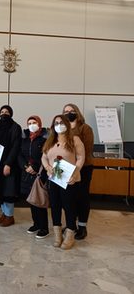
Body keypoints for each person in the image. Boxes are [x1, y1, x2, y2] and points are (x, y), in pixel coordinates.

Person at [42, 114, 85, 250]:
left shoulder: (75, 139)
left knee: (69, 206)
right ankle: (57, 235)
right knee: (55, 206)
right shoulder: (50, 140)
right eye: (56, 123)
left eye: (61, 122)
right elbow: (44, 157)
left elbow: (80, 157)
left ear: (67, 124)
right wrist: (48, 168)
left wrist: (76, 171)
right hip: (54, 179)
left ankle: (70, 234)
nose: (58, 125)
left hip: (70, 179)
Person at [63, 103, 94, 240]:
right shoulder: (62, 128)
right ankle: (72, 225)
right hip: (66, 167)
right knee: (70, 197)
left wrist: (76, 164)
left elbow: (87, 150)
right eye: (65, 111)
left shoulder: (85, 128)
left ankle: (82, 227)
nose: (69, 113)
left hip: (83, 167)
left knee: (82, 197)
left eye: (71, 111)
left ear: (77, 112)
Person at [0, 105, 22, 227]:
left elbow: (15, 147)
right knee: (0, 190)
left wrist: (8, 164)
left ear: (11, 114)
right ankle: (4, 214)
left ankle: (10, 216)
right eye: (2, 112)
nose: (4, 114)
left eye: (7, 112)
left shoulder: (15, 127)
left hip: (9, 164)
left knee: (8, 191)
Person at [18, 115, 49, 239]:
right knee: (31, 200)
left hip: (40, 173)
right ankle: (36, 224)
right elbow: (19, 155)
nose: (31, 124)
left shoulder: (45, 139)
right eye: (29, 122)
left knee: (39, 200)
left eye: (34, 122)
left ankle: (44, 227)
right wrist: (25, 166)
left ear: (39, 124)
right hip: (26, 173)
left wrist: (35, 167)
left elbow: (46, 156)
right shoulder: (25, 139)